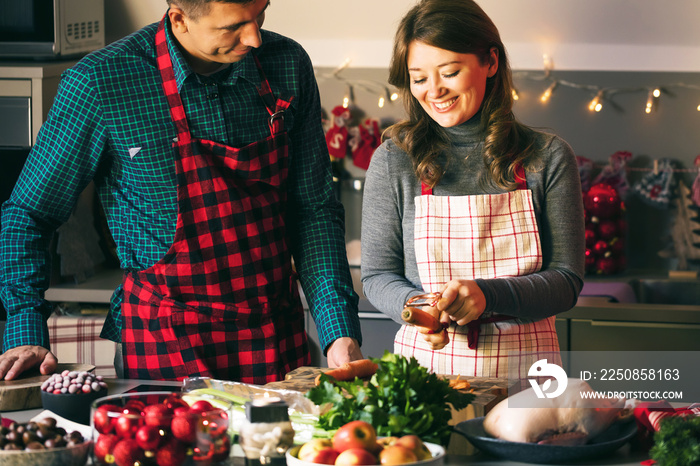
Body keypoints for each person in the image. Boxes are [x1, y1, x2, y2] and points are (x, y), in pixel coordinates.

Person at [0, 0, 363, 383]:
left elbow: (313, 210)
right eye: (233, 26)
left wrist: (338, 328)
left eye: (261, 14)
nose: (255, 37)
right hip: (166, 340)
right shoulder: (101, 82)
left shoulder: (287, 62)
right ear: (179, 19)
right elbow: (29, 213)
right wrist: (26, 329)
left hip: (274, 333)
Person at [361, 0, 584, 379]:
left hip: (528, 372)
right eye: (418, 78)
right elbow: (377, 275)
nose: (434, 91)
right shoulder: (393, 160)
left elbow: (566, 280)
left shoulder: (546, 156)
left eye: (449, 72)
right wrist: (421, 307)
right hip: (426, 370)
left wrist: (487, 296)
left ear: (490, 63)